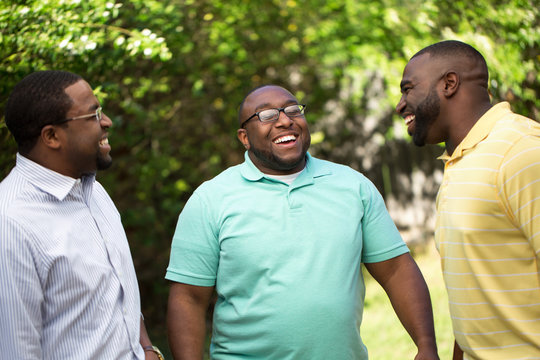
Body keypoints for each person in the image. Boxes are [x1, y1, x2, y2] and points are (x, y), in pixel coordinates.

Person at [166, 84, 439, 359]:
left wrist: (426, 345)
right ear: (244, 137)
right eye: (267, 115)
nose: (285, 120)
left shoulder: (352, 186)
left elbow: (396, 270)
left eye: (293, 109)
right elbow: (188, 298)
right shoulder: (211, 199)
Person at [0, 70, 163, 360]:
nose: (107, 122)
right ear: (51, 136)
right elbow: (16, 350)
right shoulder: (11, 222)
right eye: (93, 115)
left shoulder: (94, 192)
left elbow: (119, 290)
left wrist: (147, 348)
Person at [396, 40, 540, 359]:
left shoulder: (522, 153)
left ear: (449, 84)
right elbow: (477, 287)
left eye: (408, 89)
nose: (400, 104)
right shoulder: (461, 161)